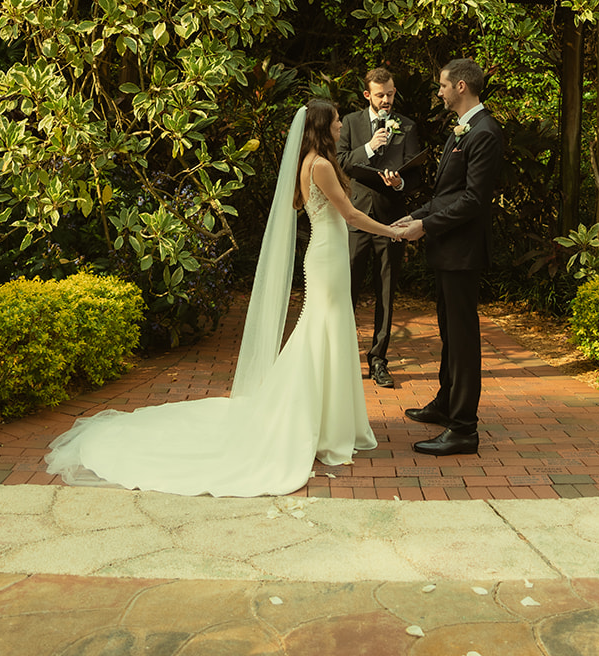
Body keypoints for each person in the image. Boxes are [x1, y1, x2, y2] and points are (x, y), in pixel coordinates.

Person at [46, 100, 405, 497]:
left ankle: (328, 421)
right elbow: (351, 216)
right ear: (323, 125)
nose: (342, 123)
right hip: (328, 255)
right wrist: (394, 232)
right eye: (337, 119)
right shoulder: (318, 165)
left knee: (326, 332)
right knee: (323, 333)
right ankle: (318, 423)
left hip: (327, 253)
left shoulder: (313, 162)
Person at [393, 58, 503, 457]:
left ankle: (464, 428)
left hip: (462, 252)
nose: (438, 92)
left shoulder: (485, 132)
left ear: (460, 86)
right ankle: (445, 403)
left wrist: (427, 226)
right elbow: (449, 193)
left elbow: (474, 200)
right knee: (448, 336)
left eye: (442, 86)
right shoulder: (462, 129)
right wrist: (418, 214)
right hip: (447, 249)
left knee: (463, 340)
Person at [338, 66, 422, 389]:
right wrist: (371, 147)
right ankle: (344, 358)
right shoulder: (350, 123)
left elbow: (416, 176)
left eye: (390, 94)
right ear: (367, 95)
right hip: (357, 218)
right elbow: (340, 161)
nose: (386, 100)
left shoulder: (408, 126)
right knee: (348, 291)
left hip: (391, 220)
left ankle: (378, 361)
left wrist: (401, 182)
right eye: (380, 95)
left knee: (386, 293)